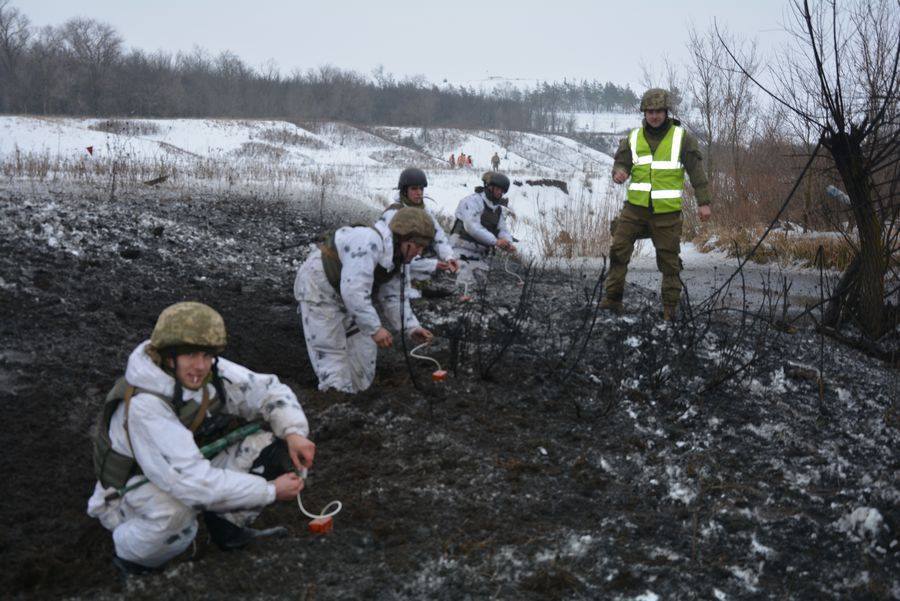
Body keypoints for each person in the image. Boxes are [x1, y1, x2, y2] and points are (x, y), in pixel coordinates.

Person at [87, 302, 315, 575]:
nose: (200, 366)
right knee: (177, 513)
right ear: (169, 356)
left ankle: (228, 529)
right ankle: (134, 559)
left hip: (183, 466)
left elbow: (267, 390)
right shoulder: (145, 405)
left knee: (269, 445)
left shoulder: (207, 372)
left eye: (207, 355)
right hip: (131, 490)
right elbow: (192, 484)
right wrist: (270, 491)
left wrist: (294, 432)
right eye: (191, 355)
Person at [294, 208, 436, 393]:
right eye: (417, 245)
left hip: (350, 297)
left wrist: (411, 327)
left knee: (364, 354)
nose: (419, 252)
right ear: (404, 238)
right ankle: (337, 402)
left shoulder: (397, 259)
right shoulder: (367, 242)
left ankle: (360, 400)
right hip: (319, 290)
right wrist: (375, 328)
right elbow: (353, 289)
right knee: (331, 354)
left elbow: (393, 297)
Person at [600, 88, 712, 320]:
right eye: (650, 111)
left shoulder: (682, 138)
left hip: (666, 213)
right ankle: (613, 300)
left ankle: (670, 309)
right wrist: (619, 173)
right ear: (644, 112)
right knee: (618, 251)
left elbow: (697, 172)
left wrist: (704, 202)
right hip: (634, 208)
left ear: (666, 112)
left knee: (669, 261)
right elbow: (621, 164)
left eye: (658, 111)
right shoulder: (633, 137)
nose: (654, 116)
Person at [379, 167, 459, 283]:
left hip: (420, 260)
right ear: (405, 190)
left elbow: (439, 237)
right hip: (396, 266)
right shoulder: (393, 213)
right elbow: (388, 255)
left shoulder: (426, 212)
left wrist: (448, 257)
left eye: (421, 189)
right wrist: (432, 265)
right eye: (414, 189)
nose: (419, 193)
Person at [449, 171, 516, 290]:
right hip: (459, 249)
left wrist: (507, 242)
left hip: (479, 255)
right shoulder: (471, 201)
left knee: (481, 284)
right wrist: (496, 242)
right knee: (464, 281)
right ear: (489, 187)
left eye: (502, 191)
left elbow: (502, 230)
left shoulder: (498, 210)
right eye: (497, 189)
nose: (500, 193)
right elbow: (472, 227)